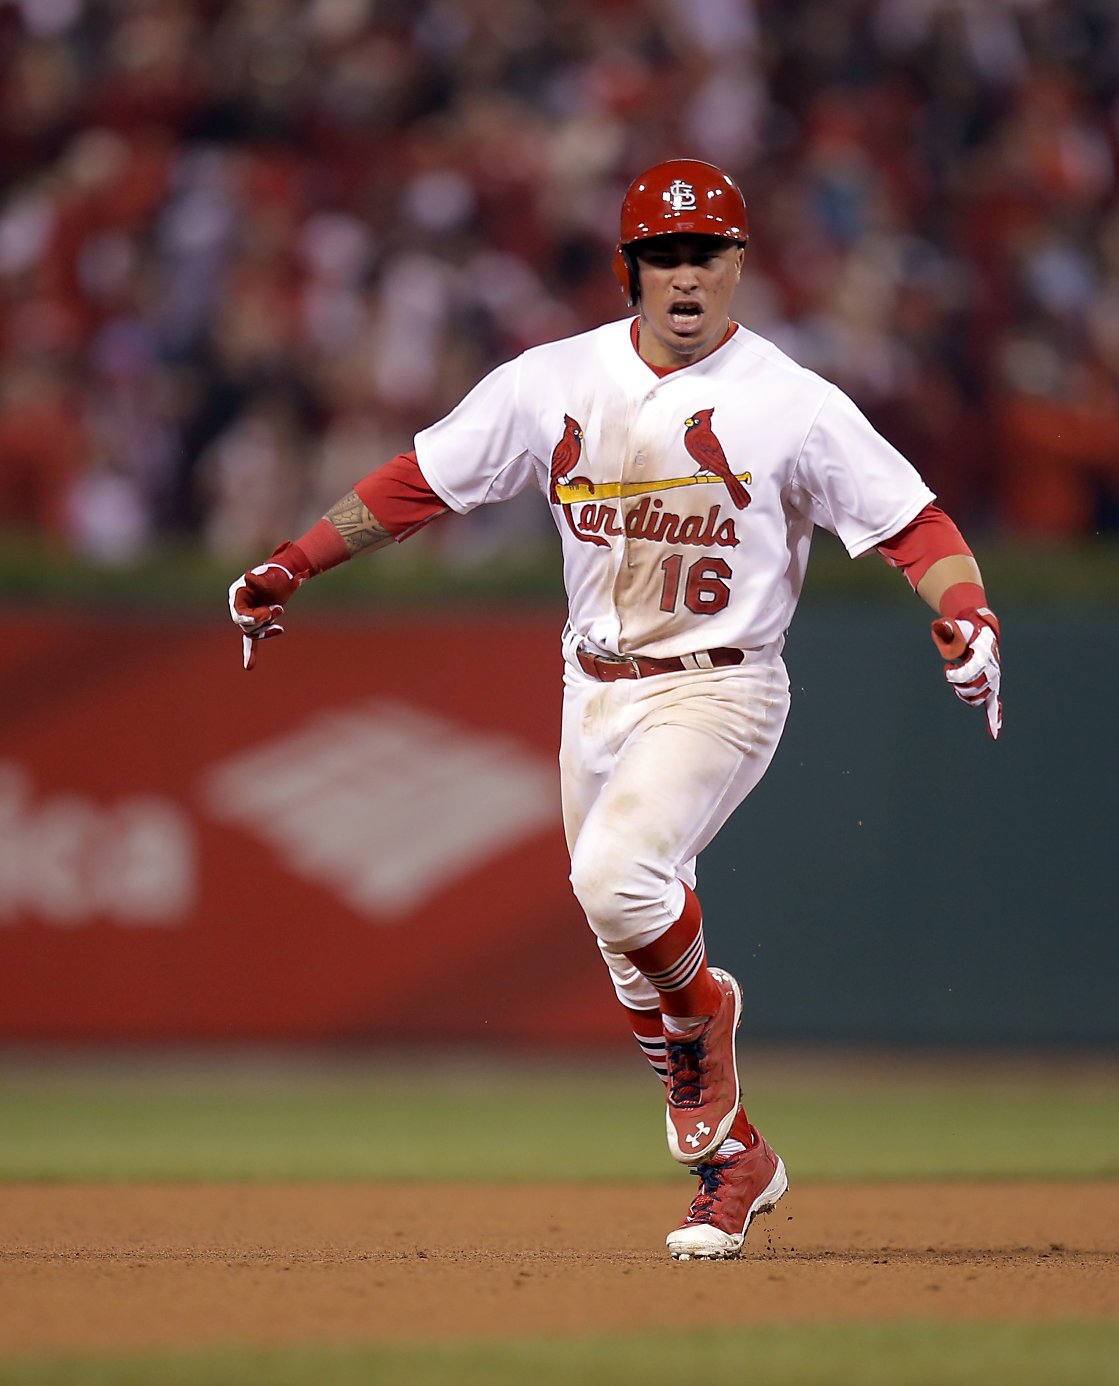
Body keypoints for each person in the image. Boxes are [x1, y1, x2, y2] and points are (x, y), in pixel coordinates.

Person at [228, 158, 1001, 1259]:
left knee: (618, 882)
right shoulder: (553, 381)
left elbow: (912, 525)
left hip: (721, 683)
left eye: (703, 255)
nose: (683, 277)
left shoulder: (791, 403)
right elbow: (419, 481)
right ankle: (733, 1161)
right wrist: (290, 565)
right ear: (627, 268)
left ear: (737, 264)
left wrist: (969, 613)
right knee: (621, 935)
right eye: (662, 256)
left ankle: (709, 1031)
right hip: (589, 688)